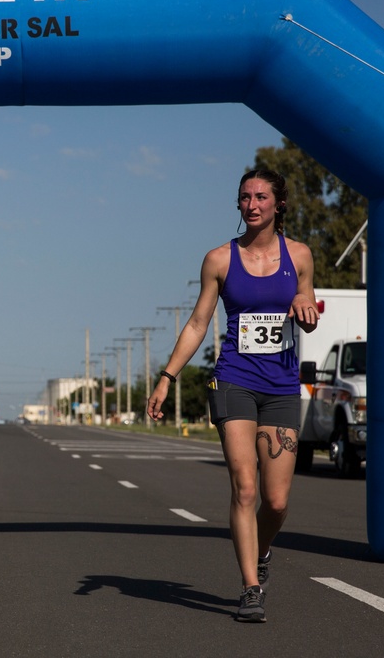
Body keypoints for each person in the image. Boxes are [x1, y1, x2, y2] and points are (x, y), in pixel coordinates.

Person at [147, 168, 319, 623]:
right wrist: (167, 376)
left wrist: (306, 309)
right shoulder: (219, 260)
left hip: (281, 385)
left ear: (278, 203)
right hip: (234, 380)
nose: (252, 204)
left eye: (262, 197)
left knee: (276, 500)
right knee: (245, 487)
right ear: (238, 205)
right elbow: (199, 323)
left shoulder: (299, 255)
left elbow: (307, 303)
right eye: (245, 197)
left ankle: (261, 551)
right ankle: (250, 587)